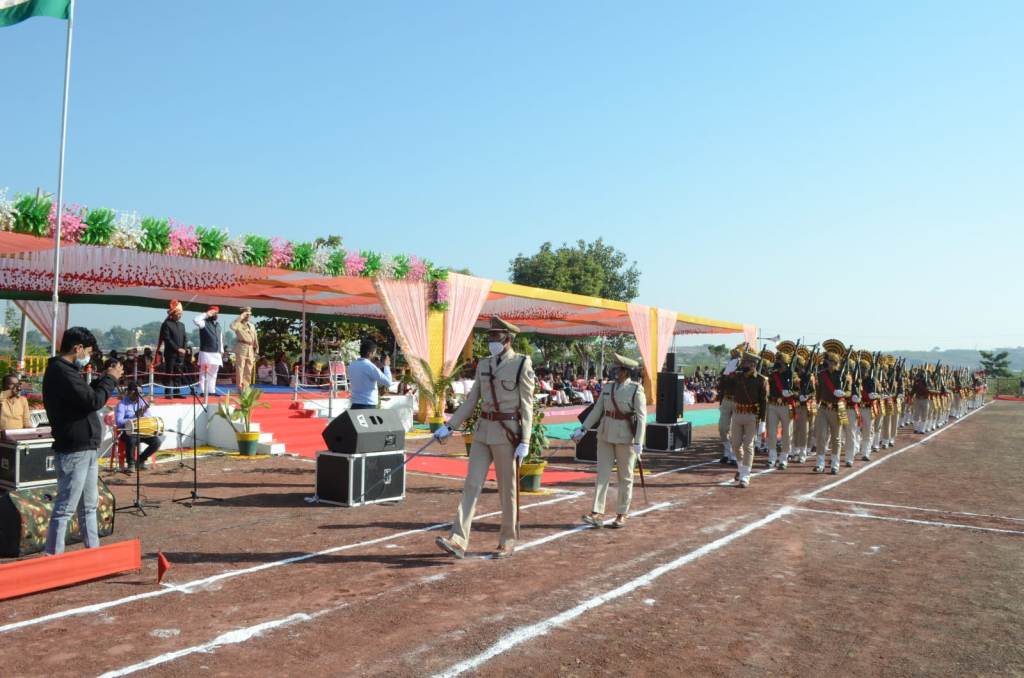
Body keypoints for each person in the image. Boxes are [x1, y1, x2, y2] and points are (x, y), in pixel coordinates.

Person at [433, 316, 535, 559]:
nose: (491, 341)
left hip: (507, 432)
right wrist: (450, 426)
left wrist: (525, 440)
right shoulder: (484, 364)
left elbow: (527, 404)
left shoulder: (522, 364)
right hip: (483, 431)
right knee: (471, 484)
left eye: (495, 336)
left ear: (507, 339)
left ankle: (507, 539)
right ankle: (458, 539)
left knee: (507, 489)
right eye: (489, 336)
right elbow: (472, 400)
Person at [42, 327, 123, 555]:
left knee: (89, 505)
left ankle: (93, 552)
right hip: (74, 449)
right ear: (77, 348)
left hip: (85, 447)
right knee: (66, 507)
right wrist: (110, 379)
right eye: (87, 351)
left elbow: (85, 396)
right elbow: (93, 401)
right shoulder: (60, 371)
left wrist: (104, 379)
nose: (87, 356)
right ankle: (53, 556)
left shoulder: (65, 371)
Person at [572, 354, 647, 528]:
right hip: (605, 434)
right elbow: (597, 410)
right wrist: (583, 428)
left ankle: (621, 514)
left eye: (618, 369)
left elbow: (642, 417)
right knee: (602, 474)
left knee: (625, 477)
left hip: (625, 438)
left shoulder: (636, 389)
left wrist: (638, 442)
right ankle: (597, 512)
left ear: (626, 371)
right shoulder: (608, 387)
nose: (615, 372)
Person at [728, 352, 768, 488]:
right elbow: (724, 381)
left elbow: (764, 402)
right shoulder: (738, 376)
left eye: (745, 362)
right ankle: (741, 468)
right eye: (743, 362)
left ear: (753, 364)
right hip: (738, 414)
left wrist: (763, 421)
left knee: (748, 445)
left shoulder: (761, 380)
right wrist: (730, 366)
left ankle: (745, 476)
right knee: (735, 444)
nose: (743, 364)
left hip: (752, 415)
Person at [115, 381, 164, 472]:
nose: (137, 397)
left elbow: (148, 417)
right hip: (127, 432)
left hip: (142, 431)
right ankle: (131, 464)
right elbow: (119, 422)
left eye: (139, 394)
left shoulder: (142, 401)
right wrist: (134, 417)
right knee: (131, 439)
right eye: (135, 393)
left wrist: (144, 414)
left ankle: (140, 460)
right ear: (129, 392)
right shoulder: (122, 404)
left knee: (156, 442)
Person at [347, 339, 393, 410]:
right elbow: (388, 382)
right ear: (369, 353)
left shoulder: (352, 365)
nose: (375, 355)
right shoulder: (370, 366)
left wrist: (376, 367)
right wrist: (386, 366)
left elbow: (364, 376)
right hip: (367, 405)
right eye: (374, 353)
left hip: (355, 404)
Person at [193, 305, 224, 404]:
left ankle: (211, 390)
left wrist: (221, 351)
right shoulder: (203, 323)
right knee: (204, 372)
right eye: (214, 313)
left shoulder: (218, 325)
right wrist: (206, 314)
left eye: (216, 313)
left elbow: (220, 339)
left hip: (216, 352)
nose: (215, 315)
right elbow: (195, 320)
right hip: (206, 352)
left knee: (214, 373)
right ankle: (203, 391)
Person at [158, 300, 188, 399]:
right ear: (173, 314)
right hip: (171, 353)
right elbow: (167, 339)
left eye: (181, 314)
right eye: (178, 313)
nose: (180, 315)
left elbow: (185, 338)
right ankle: (168, 393)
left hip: (181, 354)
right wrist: (177, 349)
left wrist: (184, 349)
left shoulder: (182, 325)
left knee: (178, 373)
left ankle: (177, 392)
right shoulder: (167, 324)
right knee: (169, 373)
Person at [231, 306, 259, 391]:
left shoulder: (251, 325)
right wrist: (241, 317)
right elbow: (232, 326)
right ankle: (239, 388)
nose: (249, 316)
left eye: (249, 314)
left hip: (250, 348)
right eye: (247, 314)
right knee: (240, 368)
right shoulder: (238, 324)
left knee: (249, 369)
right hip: (241, 347)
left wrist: (257, 348)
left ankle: (246, 387)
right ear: (242, 314)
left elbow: (255, 337)